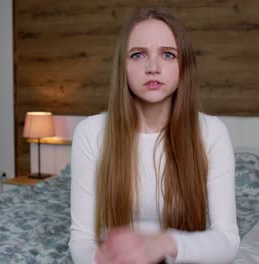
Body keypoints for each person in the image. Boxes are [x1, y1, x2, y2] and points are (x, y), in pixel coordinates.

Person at [69, 7, 240, 264]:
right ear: (122, 67)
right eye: (138, 55)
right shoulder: (90, 132)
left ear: (184, 66)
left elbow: (227, 241)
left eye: (168, 55)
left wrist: (164, 244)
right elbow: (81, 239)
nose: (152, 67)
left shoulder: (212, 132)